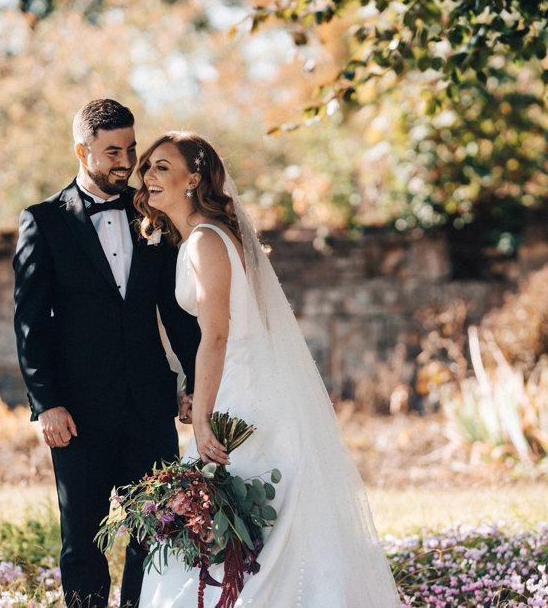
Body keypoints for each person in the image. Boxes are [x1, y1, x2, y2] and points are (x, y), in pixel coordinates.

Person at [134, 131, 401, 606]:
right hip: (245, 380)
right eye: (148, 166)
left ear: (193, 178)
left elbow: (216, 335)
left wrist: (201, 418)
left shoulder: (203, 241)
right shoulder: (204, 238)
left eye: (162, 167)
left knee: (238, 507)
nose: (148, 176)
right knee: (247, 513)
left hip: (244, 389)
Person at [12, 100, 201, 608]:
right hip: (76, 414)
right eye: (112, 151)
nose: (127, 161)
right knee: (82, 543)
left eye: (131, 149)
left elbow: (177, 310)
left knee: (156, 534)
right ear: (82, 150)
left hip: (149, 408)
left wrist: (194, 379)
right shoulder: (43, 221)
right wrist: (46, 402)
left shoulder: (153, 214)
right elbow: (30, 322)